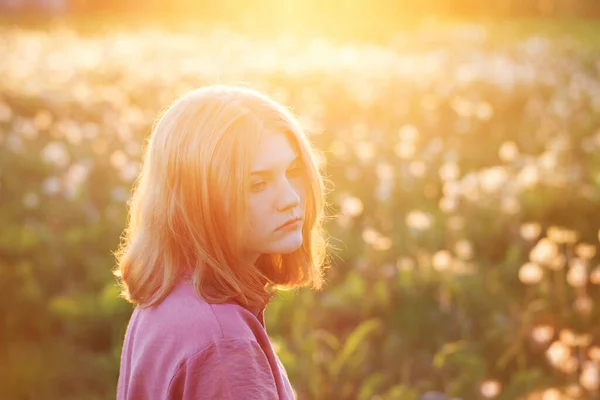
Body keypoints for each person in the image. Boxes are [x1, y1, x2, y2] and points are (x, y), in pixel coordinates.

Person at [113, 84, 330, 399]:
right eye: (258, 183)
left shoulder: (168, 299)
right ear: (198, 200)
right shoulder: (223, 344)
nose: (290, 198)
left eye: (292, 171)